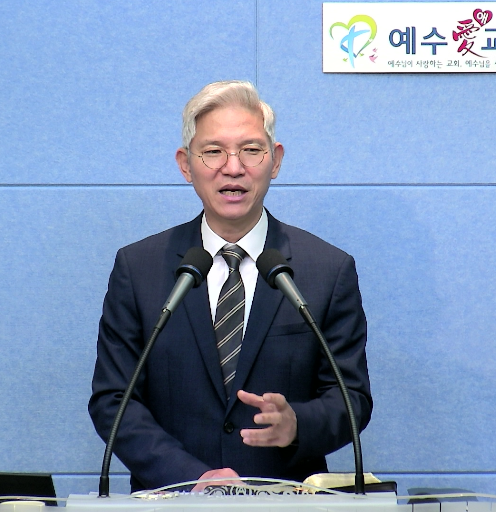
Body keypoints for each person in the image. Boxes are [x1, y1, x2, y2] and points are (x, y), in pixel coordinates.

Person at [88, 80, 371, 492]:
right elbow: (114, 399)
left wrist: (297, 423)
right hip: (172, 500)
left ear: (275, 160)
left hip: (286, 500)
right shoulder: (139, 268)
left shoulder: (327, 270)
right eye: (213, 151)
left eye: (251, 150)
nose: (233, 167)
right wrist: (189, 476)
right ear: (186, 164)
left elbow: (352, 399)